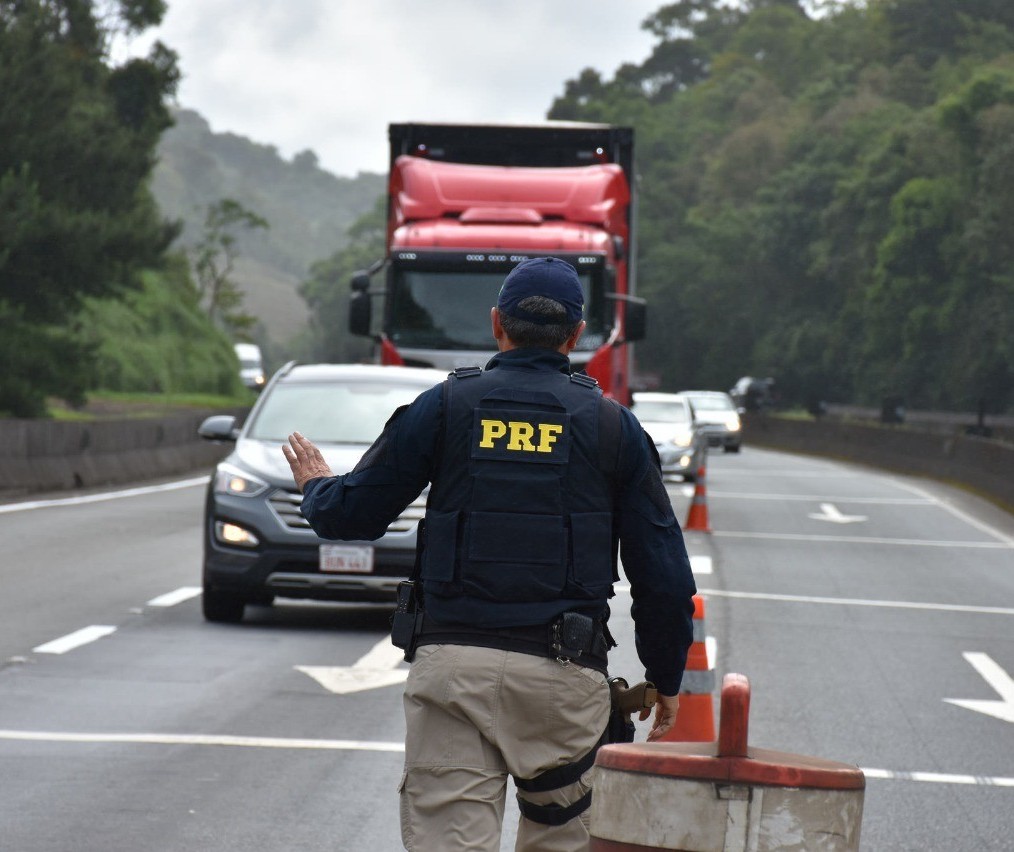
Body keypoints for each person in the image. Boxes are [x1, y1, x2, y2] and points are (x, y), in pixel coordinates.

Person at [283, 256, 697, 852]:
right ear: (578, 337)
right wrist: (665, 675)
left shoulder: (445, 406)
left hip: (453, 672)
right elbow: (663, 578)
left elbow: (352, 513)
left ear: (496, 323)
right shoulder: (614, 428)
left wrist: (317, 485)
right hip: (563, 682)